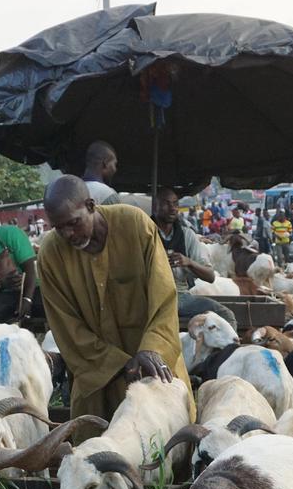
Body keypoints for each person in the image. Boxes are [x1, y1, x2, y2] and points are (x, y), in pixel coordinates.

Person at [37, 175, 190, 420]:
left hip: (152, 369)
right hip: (98, 378)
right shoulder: (50, 254)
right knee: (96, 438)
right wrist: (118, 364)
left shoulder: (135, 224)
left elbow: (164, 296)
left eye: (73, 223)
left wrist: (152, 349)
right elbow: (66, 326)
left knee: (167, 434)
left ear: (90, 205)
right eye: (58, 227)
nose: (68, 234)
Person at [153, 187, 239, 330]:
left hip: (179, 296)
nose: (172, 208)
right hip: (151, 296)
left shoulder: (187, 235)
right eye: (166, 203)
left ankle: (227, 345)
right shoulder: (145, 232)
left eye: (175, 204)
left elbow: (210, 276)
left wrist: (188, 262)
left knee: (226, 315)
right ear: (155, 206)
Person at [82, 140, 120, 206]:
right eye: (114, 164)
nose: (115, 169)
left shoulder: (70, 189)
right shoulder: (108, 194)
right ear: (105, 163)